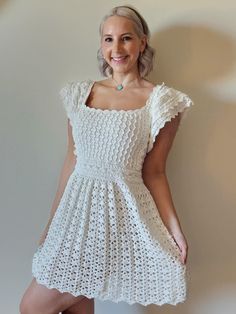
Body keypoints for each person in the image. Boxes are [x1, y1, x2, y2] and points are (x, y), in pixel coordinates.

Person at [19, 4, 194, 314]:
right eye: (108, 39)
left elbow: (154, 173)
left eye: (126, 38)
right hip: (74, 216)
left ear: (142, 42)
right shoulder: (79, 94)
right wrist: (51, 223)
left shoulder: (161, 102)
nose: (117, 47)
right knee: (76, 307)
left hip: (117, 218)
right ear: (101, 45)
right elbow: (71, 163)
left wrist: (175, 230)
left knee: (32, 307)